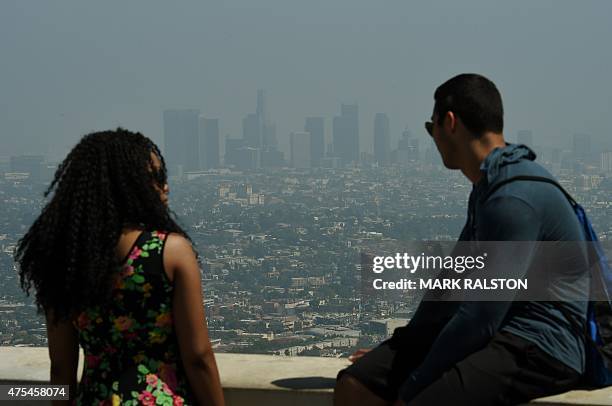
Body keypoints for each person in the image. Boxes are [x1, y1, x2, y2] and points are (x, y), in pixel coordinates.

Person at [334, 74, 590, 405]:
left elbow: (481, 317)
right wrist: (404, 347)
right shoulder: (488, 187)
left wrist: (414, 381)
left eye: (432, 127)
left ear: (449, 123)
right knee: (356, 384)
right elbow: (451, 283)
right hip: (504, 331)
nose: (434, 138)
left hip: (543, 344)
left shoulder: (514, 199)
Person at [15, 129, 225, 406]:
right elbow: (198, 357)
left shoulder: (64, 258)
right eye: (156, 178)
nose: (166, 187)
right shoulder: (169, 252)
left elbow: (61, 368)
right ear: (129, 184)